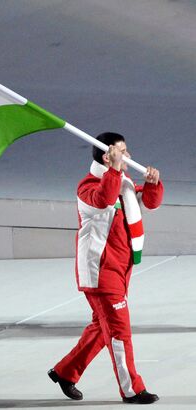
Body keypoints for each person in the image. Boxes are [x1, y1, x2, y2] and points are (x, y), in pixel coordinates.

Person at [48, 132, 163, 404]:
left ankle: (66, 372)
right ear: (107, 155)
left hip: (120, 271)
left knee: (102, 329)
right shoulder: (88, 187)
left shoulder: (122, 184)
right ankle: (132, 389)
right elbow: (104, 199)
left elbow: (149, 203)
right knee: (120, 332)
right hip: (100, 273)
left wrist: (152, 185)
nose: (129, 157)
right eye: (123, 151)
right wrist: (113, 170)